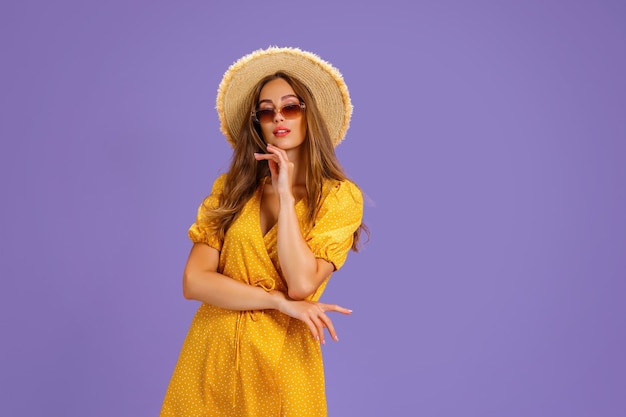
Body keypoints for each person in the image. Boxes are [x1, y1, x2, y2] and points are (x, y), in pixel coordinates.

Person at [160, 46, 367, 417]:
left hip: (282, 363)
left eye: (290, 107)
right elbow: (194, 281)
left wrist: (286, 196)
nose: (278, 118)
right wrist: (279, 302)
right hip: (211, 358)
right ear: (258, 123)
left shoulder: (339, 197)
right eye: (266, 111)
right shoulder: (231, 189)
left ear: (310, 115)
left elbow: (302, 283)